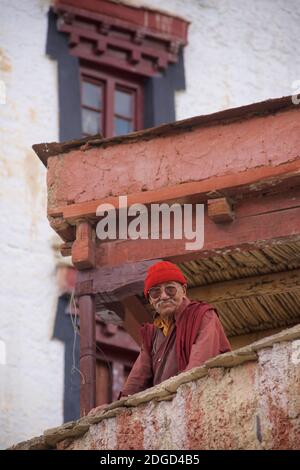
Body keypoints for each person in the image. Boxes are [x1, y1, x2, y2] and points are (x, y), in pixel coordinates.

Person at [120, 260, 231, 397]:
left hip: (195, 397)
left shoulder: (202, 316)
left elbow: (198, 368)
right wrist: (116, 406)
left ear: (183, 290)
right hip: (165, 406)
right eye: (155, 293)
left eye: (170, 289)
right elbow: (136, 381)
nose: (164, 296)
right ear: (150, 300)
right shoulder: (152, 334)